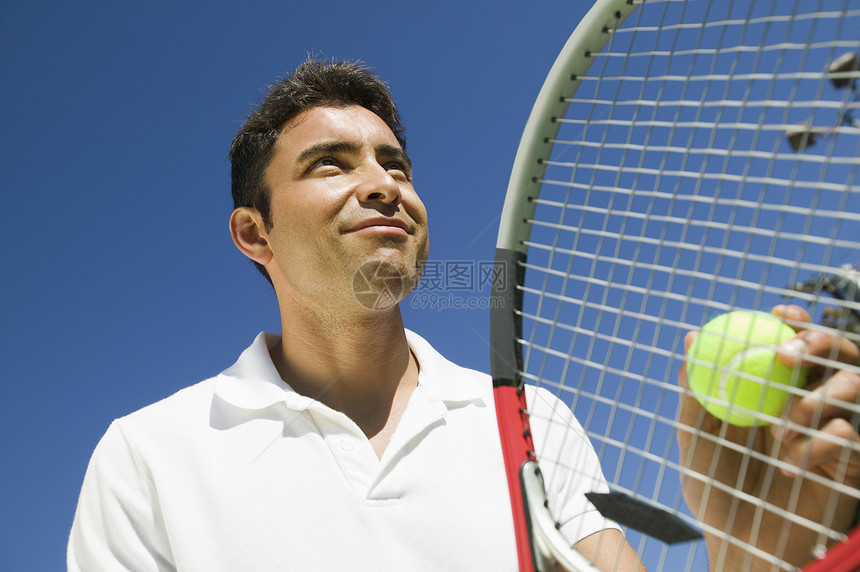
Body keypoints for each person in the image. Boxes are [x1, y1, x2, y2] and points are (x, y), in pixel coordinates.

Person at [67, 59, 640, 572]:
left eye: (396, 166)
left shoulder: (531, 419)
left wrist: (734, 532)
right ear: (255, 233)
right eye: (330, 165)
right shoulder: (145, 453)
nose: (382, 186)